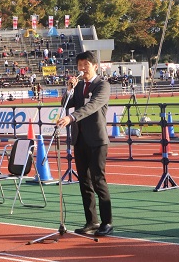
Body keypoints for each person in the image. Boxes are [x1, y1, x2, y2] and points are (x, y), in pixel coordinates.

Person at [56, 51, 113, 237]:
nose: (82, 69)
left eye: (85, 65)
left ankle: (107, 222)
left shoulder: (102, 86)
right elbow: (66, 103)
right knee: (84, 183)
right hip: (80, 140)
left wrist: (71, 117)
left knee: (98, 181)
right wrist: (69, 89)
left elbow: (92, 107)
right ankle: (92, 220)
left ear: (95, 66)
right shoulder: (79, 86)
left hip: (97, 140)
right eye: (79, 66)